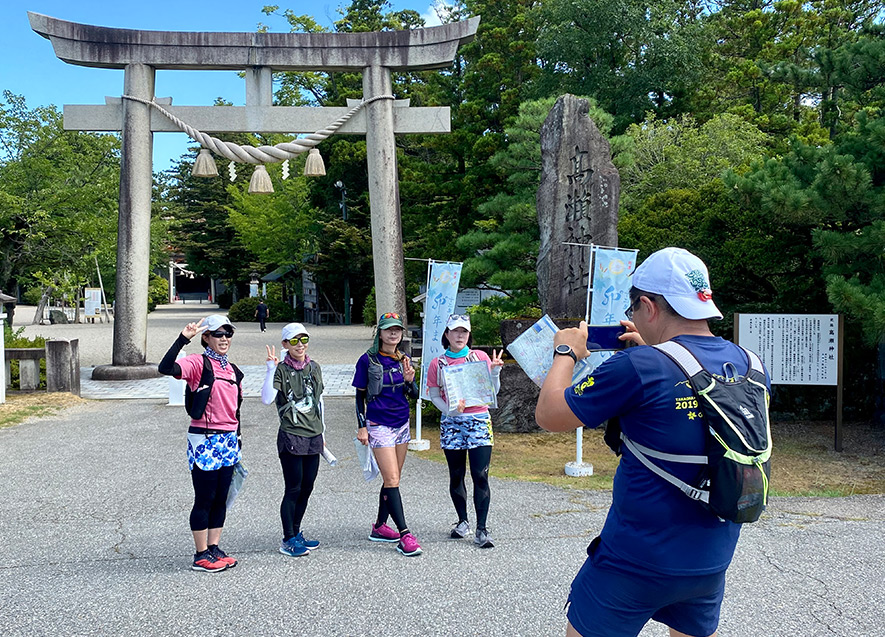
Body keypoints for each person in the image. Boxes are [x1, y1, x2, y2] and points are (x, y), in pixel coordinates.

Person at [535, 247, 771, 637]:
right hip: (711, 561)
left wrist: (566, 352)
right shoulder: (750, 364)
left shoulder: (638, 367)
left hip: (634, 563)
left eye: (634, 305)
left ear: (647, 305)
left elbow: (549, 414)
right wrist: (650, 353)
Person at [158, 314, 244, 573]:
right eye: (218, 334)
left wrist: (238, 438)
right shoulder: (198, 363)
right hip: (204, 440)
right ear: (206, 337)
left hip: (228, 440)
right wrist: (183, 339)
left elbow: (235, 410)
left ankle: (214, 547)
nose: (224, 338)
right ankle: (200, 554)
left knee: (221, 498)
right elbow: (165, 367)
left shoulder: (233, 369)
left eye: (228, 333)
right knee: (204, 498)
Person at [426, 314, 503, 548]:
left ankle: (482, 528)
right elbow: (434, 394)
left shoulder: (477, 357)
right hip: (452, 423)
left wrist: (496, 372)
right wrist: (450, 411)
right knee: (456, 474)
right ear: (446, 335)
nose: (460, 336)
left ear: (469, 335)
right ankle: (462, 521)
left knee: (480, 474)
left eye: (464, 332)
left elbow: (492, 391)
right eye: (455, 331)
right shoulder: (437, 363)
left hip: (478, 419)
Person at [352, 311, 423, 557]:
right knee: (392, 480)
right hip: (379, 424)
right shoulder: (367, 360)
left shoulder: (404, 358)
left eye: (397, 330)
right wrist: (362, 425)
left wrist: (410, 380)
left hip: (401, 423)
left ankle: (380, 526)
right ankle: (405, 534)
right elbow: (360, 394)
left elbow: (413, 395)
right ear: (380, 333)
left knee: (392, 479)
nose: (393, 333)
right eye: (388, 329)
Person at [261, 322, 325, 558]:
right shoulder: (281, 369)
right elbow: (267, 399)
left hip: (313, 434)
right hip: (291, 433)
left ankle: (297, 533)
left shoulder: (314, 367)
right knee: (294, 487)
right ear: (285, 344)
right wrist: (270, 368)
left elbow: (319, 401)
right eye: (295, 341)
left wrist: (323, 433)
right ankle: (288, 538)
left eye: (304, 339)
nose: (300, 345)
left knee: (307, 487)